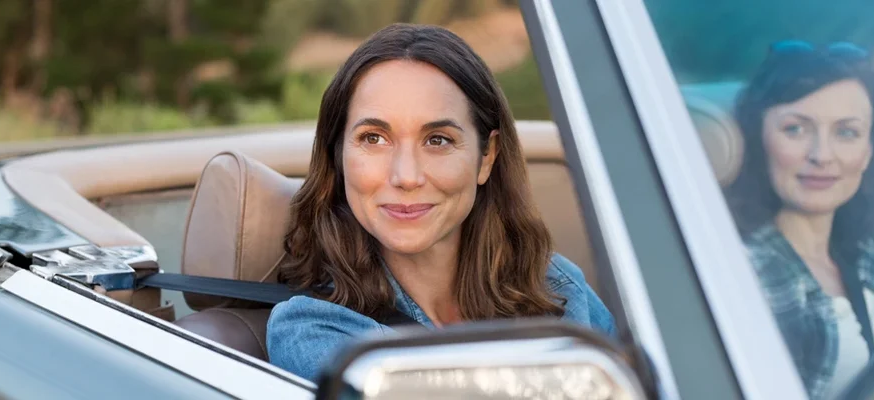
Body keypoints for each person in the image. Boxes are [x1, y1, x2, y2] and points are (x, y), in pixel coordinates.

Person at [264, 23, 616, 381]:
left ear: (487, 156)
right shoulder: (313, 331)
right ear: (338, 154)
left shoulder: (556, 285)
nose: (406, 176)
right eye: (374, 138)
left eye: (438, 140)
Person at [727, 40, 874, 399]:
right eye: (796, 129)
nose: (822, 155)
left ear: (867, 151)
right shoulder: (752, 275)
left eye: (846, 132)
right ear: (756, 139)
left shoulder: (873, 230)